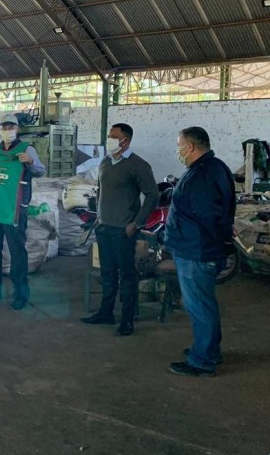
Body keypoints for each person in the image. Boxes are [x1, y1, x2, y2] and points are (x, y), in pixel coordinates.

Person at [166, 127, 235, 377]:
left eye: (179, 145)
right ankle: (209, 350)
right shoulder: (214, 168)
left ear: (191, 147)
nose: (178, 150)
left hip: (197, 252)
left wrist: (214, 244)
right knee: (204, 304)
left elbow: (208, 216)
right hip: (199, 248)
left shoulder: (202, 175)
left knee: (199, 306)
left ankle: (202, 361)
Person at [80, 123, 159, 335]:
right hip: (104, 227)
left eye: (114, 137)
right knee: (107, 272)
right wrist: (98, 217)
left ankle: (127, 319)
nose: (110, 140)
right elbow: (101, 191)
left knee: (127, 275)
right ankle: (106, 313)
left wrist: (136, 223)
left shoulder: (138, 165)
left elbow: (153, 195)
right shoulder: (106, 162)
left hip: (124, 230)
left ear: (126, 139)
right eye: (109, 136)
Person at [0, 114, 46, 310]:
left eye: (11, 126)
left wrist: (30, 161)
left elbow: (40, 171)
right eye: (4, 126)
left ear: (17, 129)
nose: (7, 130)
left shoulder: (26, 149)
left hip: (15, 209)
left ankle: (21, 293)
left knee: (17, 251)